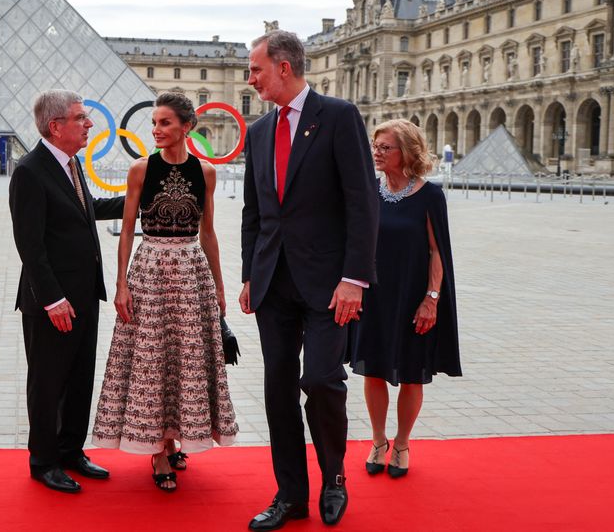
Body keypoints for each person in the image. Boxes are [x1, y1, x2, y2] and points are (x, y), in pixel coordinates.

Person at [240, 30, 378, 529]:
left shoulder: (338, 117)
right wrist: (249, 274)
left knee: (320, 380)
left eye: (256, 69)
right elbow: (254, 213)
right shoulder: (257, 133)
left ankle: (334, 477)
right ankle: (291, 494)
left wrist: (355, 278)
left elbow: (363, 202)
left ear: (283, 67)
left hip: (329, 283)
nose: (250, 79)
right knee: (278, 389)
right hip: (273, 281)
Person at [92, 93, 238, 493]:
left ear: (186, 127)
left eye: (164, 123)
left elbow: (208, 232)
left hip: (191, 272)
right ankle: (157, 450)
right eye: (154, 123)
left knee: (183, 358)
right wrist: (121, 284)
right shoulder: (141, 169)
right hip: (150, 271)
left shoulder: (205, 172)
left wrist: (219, 285)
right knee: (151, 358)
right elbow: (125, 231)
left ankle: (174, 437)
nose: (156, 130)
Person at [8, 89, 125, 494]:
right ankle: (43, 461)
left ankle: (71, 450)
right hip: (52, 301)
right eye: (81, 118)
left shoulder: (70, 165)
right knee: (48, 381)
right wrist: (52, 298)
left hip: (84, 295)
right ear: (56, 127)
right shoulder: (30, 170)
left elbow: (87, 207)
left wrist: (141, 199)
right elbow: (30, 244)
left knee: (78, 378)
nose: (89, 124)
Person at [349, 120, 461, 479]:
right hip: (375, 294)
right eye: (376, 146)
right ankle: (379, 440)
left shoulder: (430, 196)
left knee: (412, 373)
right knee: (373, 369)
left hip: (413, 295)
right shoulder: (369, 190)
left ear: (407, 153)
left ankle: (402, 443)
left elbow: (437, 250)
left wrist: (431, 298)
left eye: (385, 147)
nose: (377, 153)